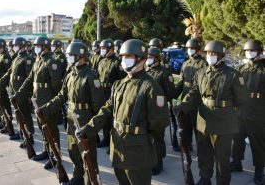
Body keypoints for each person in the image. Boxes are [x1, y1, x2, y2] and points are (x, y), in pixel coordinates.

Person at [79, 39, 170, 185]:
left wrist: (148, 147)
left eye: (129, 57)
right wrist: (89, 128)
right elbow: (107, 110)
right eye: (122, 57)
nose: (124, 60)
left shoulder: (150, 86)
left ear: (141, 58)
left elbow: (159, 124)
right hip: (118, 146)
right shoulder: (119, 84)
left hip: (137, 151)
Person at [174, 40, 248, 185]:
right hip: (203, 119)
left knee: (222, 157)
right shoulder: (201, 72)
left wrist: (227, 110)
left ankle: (222, 180)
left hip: (223, 121)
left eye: (213, 53)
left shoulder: (233, 75)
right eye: (208, 53)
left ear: (220, 55)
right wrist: (183, 105)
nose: (210, 56)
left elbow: (242, 99)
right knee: (204, 153)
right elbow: (194, 93)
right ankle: (205, 177)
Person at [39, 41, 105, 185]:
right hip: (71, 120)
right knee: (73, 151)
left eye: (71, 55)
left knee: (88, 156)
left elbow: (98, 105)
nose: (68, 57)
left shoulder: (91, 76)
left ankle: (91, 181)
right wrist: (46, 107)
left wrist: (91, 125)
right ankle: (78, 177)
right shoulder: (70, 74)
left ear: (81, 56)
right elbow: (61, 95)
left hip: (85, 120)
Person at [12, 36, 63, 169]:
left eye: (38, 46)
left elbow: (57, 85)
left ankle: (55, 155)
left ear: (45, 47)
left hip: (48, 102)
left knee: (51, 129)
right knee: (43, 128)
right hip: (38, 100)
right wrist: (19, 94)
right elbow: (29, 80)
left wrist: (53, 103)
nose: (36, 48)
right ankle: (47, 151)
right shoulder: (38, 60)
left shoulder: (52, 62)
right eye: (35, 46)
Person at [230, 39, 265, 184]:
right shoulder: (242, 68)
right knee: (237, 140)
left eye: (253, 51)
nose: (250, 53)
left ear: (260, 52)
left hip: (258, 113)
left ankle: (259, 170)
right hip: (241, 111)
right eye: (248, 51)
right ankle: (237, 162)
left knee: (258, 143)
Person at [0, 37, 35, 150]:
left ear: (22, 45)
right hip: (14, 92)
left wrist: (27, 93)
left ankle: (29, 136)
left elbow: (29, 78)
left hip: (22, 93)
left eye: (16, 45)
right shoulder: (17, 57)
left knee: (25, 115)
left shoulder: (27, 59)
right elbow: (9, 73)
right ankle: (22, 133)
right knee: (19, 116)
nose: (14, 47)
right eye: (13, 45)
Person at [145, 47, 176, 175]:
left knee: (157, 137)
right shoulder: (146, 71)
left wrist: (160, 99)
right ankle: (149, 159)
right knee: (148, 137)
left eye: (151, 57)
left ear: (157, 59)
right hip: (147, 109)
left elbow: (171, 93)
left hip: (158, 110)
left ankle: (158, 162)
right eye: (147, 57)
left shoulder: (164, 73)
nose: (148, 60)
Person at [175, 38, 208, 152]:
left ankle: (202, 150)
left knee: (197, 127)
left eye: (192, 48)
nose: (190, 50)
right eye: (188, 48)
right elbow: (181, 82)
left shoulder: (203, 64)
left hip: (196, 100)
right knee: (186, 125)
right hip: (185, 98)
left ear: (198, 50)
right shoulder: (186, 63)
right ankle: (187, 145)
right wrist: (172, 94)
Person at [97, 39, 124, 150]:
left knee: (113, 118)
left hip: (113, 92)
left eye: (104, 48)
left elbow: (122, 79)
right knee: (105, 117)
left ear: (111, 49)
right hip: (102, 92)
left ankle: (113, 143)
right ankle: (106, 139)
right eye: (101, 48)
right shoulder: (102, 61)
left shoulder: (117, 62)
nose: (102, 50)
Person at [0, 38, 18, 140]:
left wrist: (1, 83)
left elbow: (8, 73)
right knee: (1, 107)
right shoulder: (0, 56)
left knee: (6, 108)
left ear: (1, 46)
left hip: (3, 86)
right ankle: (5, 125)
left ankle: (10, 127)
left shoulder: (6, 57)